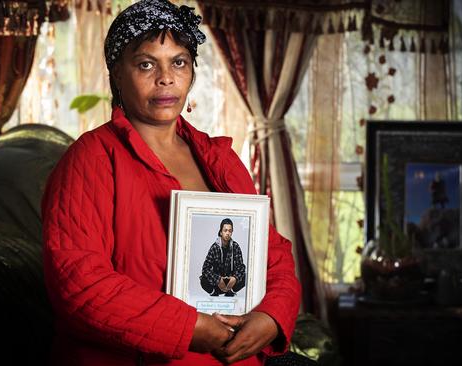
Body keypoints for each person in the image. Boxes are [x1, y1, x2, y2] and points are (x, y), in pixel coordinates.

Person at [41, 0, 300, 365]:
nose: (166, 78)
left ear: (191, 72)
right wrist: (189, 326)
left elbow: (274, 257)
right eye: (146, 64)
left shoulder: (220, 159)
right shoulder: (91, 159)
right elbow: (80, 285)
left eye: (178, 62)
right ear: (117, 73)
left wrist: (271, 317)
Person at [200, 218, 246, 297]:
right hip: (217, 283)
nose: (227, 233)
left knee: (245, 277)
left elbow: (241, 267)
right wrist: (218, 280)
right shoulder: (214, 247)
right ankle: (214, 293)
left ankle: (230, 292)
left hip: (231, 282)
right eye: (225, 230)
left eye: (230, 231)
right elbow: (205, 268)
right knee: (203, 280)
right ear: (221, 232)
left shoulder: (235, 246)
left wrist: (235, 278)